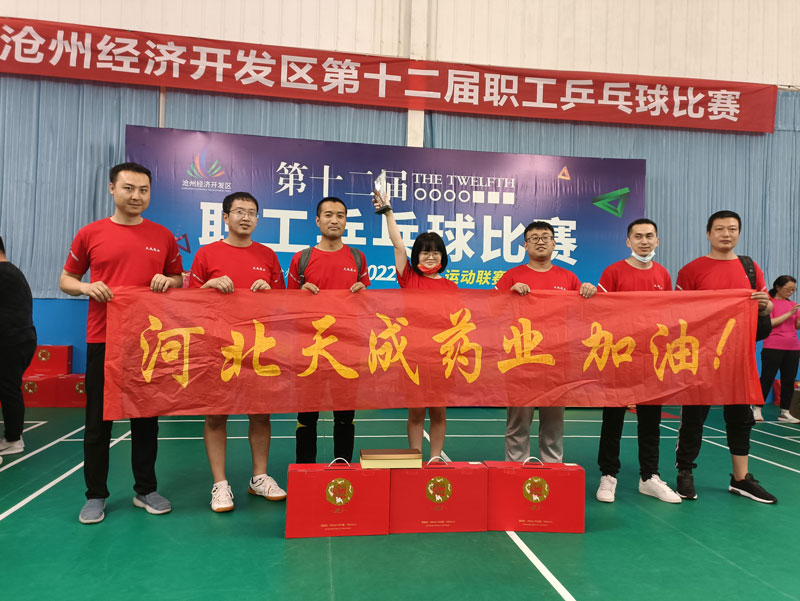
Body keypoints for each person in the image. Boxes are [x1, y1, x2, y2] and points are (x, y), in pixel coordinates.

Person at [60, 162, 184, 524]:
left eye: (144, 190)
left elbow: (178, 278)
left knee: (146, 420)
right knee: (99, 422)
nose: (136, 196)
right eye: (129, 188)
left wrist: (168, 281)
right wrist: (86, 286)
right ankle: (95, 495)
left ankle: (145, 489)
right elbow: (66, 280)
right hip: (104, 338)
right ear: (112, 189)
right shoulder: (90, 234)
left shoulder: (163, 235)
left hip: (149, 340)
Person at [188, 192, 288, 512]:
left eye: (252, 212)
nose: (246, 217)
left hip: (258, 345)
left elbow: (284, 303)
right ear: (225, 217)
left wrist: (270, 292)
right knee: (216, 415)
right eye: (239, 211)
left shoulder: (268, 256)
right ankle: (220, 484)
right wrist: (208, 287)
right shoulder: (207, 254)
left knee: (260, 413)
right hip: (217, 347)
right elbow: (188, 303)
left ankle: (259, 477)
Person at [674, 210, 777, 503]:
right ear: (708, 233)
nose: (726, 234)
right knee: (694, 416)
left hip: (738, 357)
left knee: (740, 418)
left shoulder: (750, 267)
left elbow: (767, 307)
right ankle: (685, 472)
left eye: (732, 229)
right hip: (700, 357)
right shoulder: (691, 270)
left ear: (739, 233)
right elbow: (677, 312)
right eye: (719, 229)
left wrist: (765, 304)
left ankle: (741, 479)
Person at [495, 220, 596, 463]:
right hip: (521, 361)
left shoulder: (569, 278)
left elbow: (583, 315)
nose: (540, 242)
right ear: (525, 245)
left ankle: (553, 468)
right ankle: (515, 469)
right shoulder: (512, 277)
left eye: (545, 237)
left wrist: (589, 292)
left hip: (556, 361)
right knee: (518, 422)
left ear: (554, 243)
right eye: (534, 238)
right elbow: (493, 311)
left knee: (553, 423)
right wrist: (509, 294)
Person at [594, 219, 681, 503]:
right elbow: (601, 311)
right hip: (618, 357)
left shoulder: (663, 274)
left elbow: (667, 314)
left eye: (649, 236)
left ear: (657, 241)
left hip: (651, 359)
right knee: (613, 420)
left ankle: (649, 477)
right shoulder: (613, 272)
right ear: (628, 241)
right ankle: (608, 475)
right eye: (638, 236)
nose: (644, 241)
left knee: (650, 421)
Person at [373, 191, 456, 459]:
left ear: (442, 256)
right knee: (416, 412)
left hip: (442, 358)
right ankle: (415, 459)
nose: (430, 257)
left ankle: (435, 458)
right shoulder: (408, 278)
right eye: (424, 252)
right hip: (414, 357)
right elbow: (398, 245)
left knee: (439, 412)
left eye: (435, 252)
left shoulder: (451, 287)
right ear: (416, 256)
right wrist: (388, 212)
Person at [287, 197, 369, 463]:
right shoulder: (302, 259)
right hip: (310, 350)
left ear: (346, 221)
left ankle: (342, 469)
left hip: (347, 349)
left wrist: (363, 293)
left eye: (340, 215)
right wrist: (300, 294)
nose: (335, 220)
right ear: (317, 220)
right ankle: (305, 471)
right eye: (329, 215)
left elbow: (366, 303)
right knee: (307, 417)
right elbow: (287, 304)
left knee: (345, 416)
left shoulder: (357, 258)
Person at [0, 235, 37, 458]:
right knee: (8, 387)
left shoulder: (4, 273)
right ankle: (13, 437)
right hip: (20, 340)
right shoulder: (13, 272)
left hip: (11, 342)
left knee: (8, 388)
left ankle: (14, 439)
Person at [757, 275, 800, 424]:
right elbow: (770, 323)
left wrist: (798, 318)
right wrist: (789, 313)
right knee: (767, 378)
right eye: (788, 289)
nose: (791, 292)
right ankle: (757, 408)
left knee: (789, 380)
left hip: (793, 347)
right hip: (773, 346)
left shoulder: (793, 305)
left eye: (793, 290)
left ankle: (785, 412)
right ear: (778, 287)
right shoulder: (769, 304)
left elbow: (796, 326)